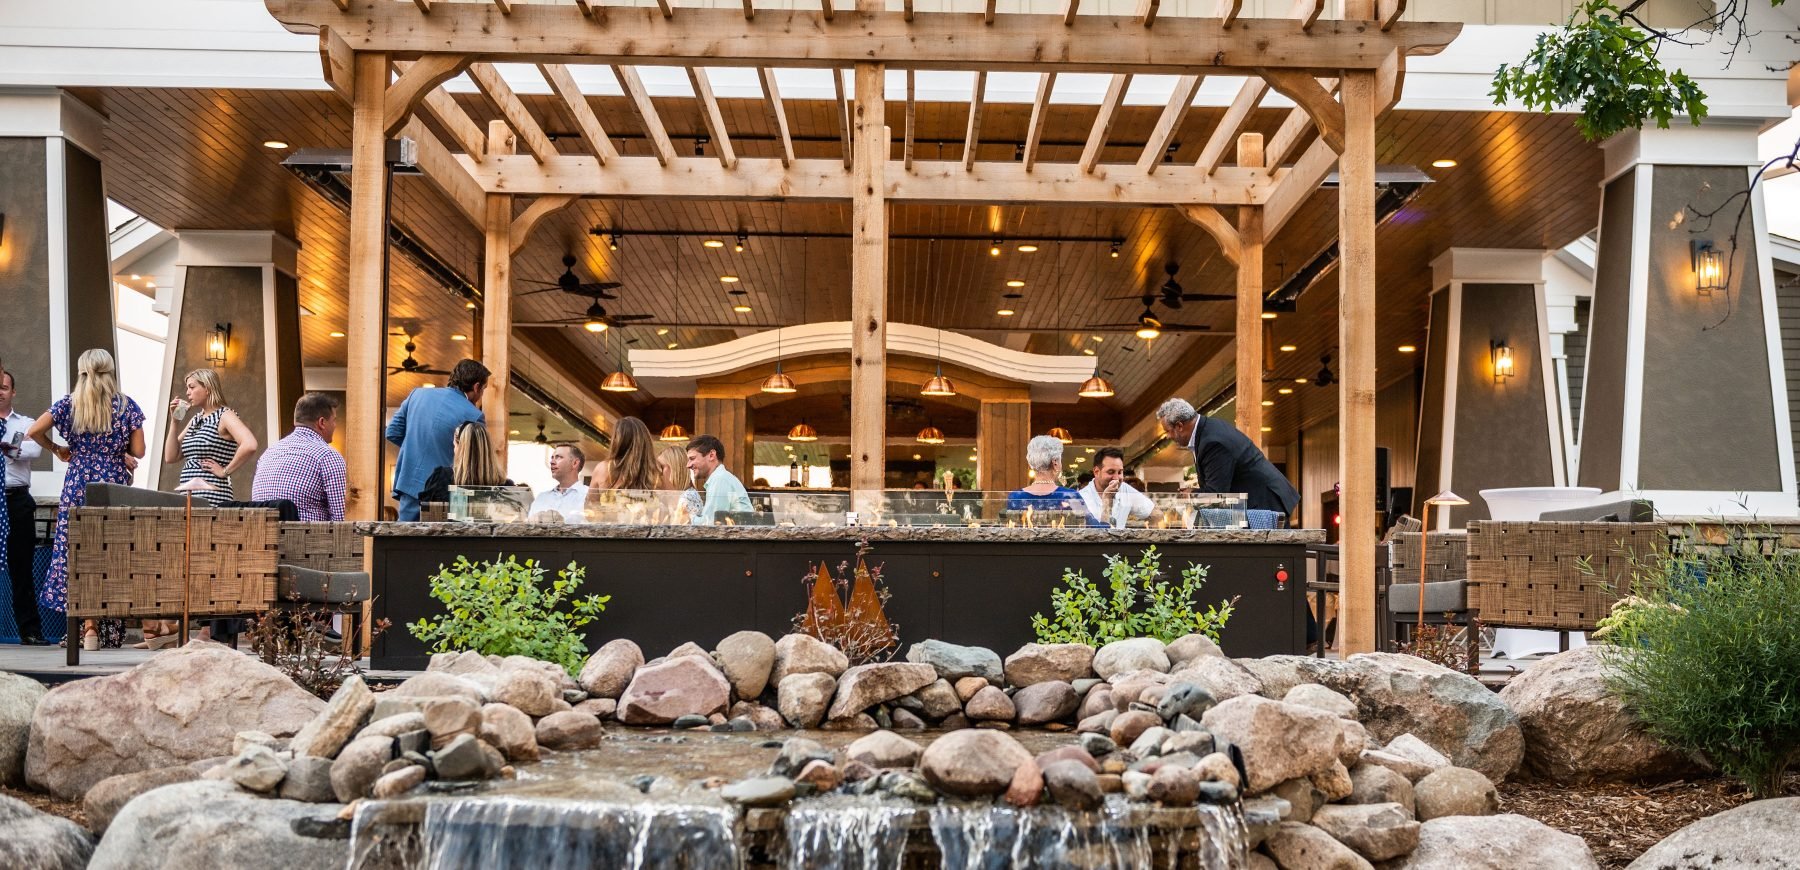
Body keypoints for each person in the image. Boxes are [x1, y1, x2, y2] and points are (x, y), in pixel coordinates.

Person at [27, 349, 144, 651]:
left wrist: (58, 449)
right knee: (111, 553)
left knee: (78, 551)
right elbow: (140, 450)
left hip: (78, 481)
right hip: (112, 484)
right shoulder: (126, 405)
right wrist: (120, 453)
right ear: (110, 369)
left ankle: (86, 627)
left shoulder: (70, 403)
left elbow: (34, 430)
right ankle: (104, 627)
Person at [1156, 397, 1299, 517]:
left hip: (1265, 505)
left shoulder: (1212, 442)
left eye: (1168, 431)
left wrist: (1191, 493)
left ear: (1180, 426)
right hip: (1260, 503)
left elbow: (1216, 493)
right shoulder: (1207, 430)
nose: (1168, 436)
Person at [385, 359, 489, 521]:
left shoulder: (417, 395)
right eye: (483, 389)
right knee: (440, 544)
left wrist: (414, 447)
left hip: (409, 484)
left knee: (404, 541)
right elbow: (474, 459)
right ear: (476, 387)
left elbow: (392, 432)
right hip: (447, 493)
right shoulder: (475, 415)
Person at [163, 368, 258, 506]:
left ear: (207, 388)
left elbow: (250, 444)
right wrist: (175, 421)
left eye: (192, 387)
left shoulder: (225, 415)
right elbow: (170, 457)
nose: (187, 392)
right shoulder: (196, 419)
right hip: (189, 496)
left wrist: (225, 471)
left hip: (212, 498)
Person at [0, 370, 48, 645]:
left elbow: (35, 450)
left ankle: (30, 631)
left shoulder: (28, 423)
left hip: (16, 499)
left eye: (4, 387)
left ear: (13, 391)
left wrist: (10, 449)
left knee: (22, 567)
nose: (0, 391)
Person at [251, 393, 347, 522]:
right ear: (322, 422)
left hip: (264, 539)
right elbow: (341, 518)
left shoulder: (268, 453)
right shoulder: (328, 456)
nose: (335, 425)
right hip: (306, 539)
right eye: (334, 420)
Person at [1007, 435, 1098, 524]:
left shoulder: (1015, 497)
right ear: (1055, 463)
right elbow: (1094, 529)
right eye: (1060, 460)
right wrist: (1106, 503)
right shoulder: (1069, 496)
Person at [419, 421, 512, 504]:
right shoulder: (506, 487)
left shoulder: (440, 479)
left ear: (460, 448)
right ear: (488, 449)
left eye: (454, 446)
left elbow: (426, 516)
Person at [1079, 446, 1156, 529]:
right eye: (1111, 472)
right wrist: (1107, 500)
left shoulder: (1125, 489)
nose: (1116, 478)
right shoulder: (1082, 497)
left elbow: (1155, 514)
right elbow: (1100, 535)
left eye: (1120, 472)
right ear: (1097, 472)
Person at [685, 434, 750, 525]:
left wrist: (687, 518)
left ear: (711, 455)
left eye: (692, 458)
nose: (688, 465)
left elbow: (710, 524)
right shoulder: (720, 478)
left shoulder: (720, 479)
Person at [530, 443, 588, 522]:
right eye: (552, 458)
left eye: (558, 457)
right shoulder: (541, 498)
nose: (552, 462)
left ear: (575, 463)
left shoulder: (588, 496)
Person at [657, 443, 703, 519]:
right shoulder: (677, 497)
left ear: (676, 470)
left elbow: (688, 526)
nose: (658, 473)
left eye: (661, 468)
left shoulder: (688, 497)